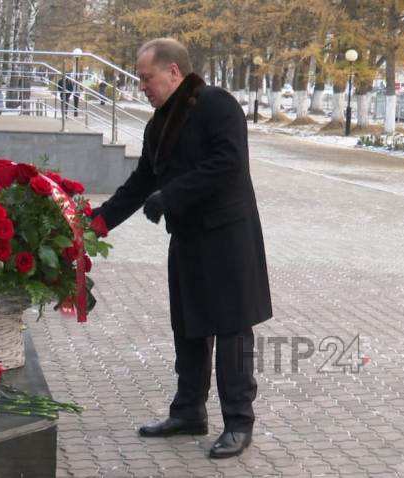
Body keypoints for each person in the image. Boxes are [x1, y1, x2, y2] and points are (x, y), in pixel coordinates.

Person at [91, 38, 272, 459]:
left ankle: (239, 423)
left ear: (174, 72)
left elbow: (228, 163)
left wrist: (170, 196)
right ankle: (189, 411)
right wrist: (94, 224)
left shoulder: (217, 104)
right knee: (188, 326)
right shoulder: (159, 124)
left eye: (146, 77)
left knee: (231, 330)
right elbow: (140, 183)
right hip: (189, 239)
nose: (142, 86)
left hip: (228, 236)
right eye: (139, 79)